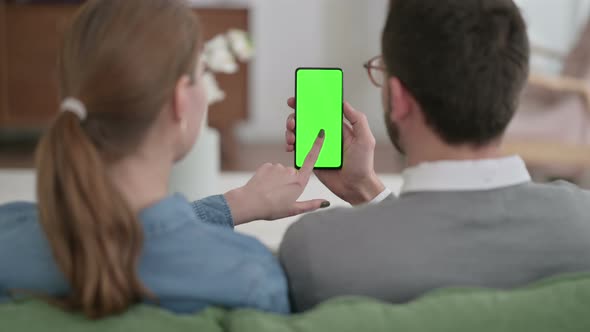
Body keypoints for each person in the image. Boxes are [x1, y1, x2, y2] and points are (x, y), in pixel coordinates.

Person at [0, 0, 329, 319]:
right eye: (202, 72)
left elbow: (126, 231)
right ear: (180, 99)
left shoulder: (8, 238)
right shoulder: (248, 276)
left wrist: (230, 205)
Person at [280, 0, 590, 312]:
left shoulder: (318, 249)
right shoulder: (582, 225)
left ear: (398, 98)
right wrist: (364, 188)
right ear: (514, 86)